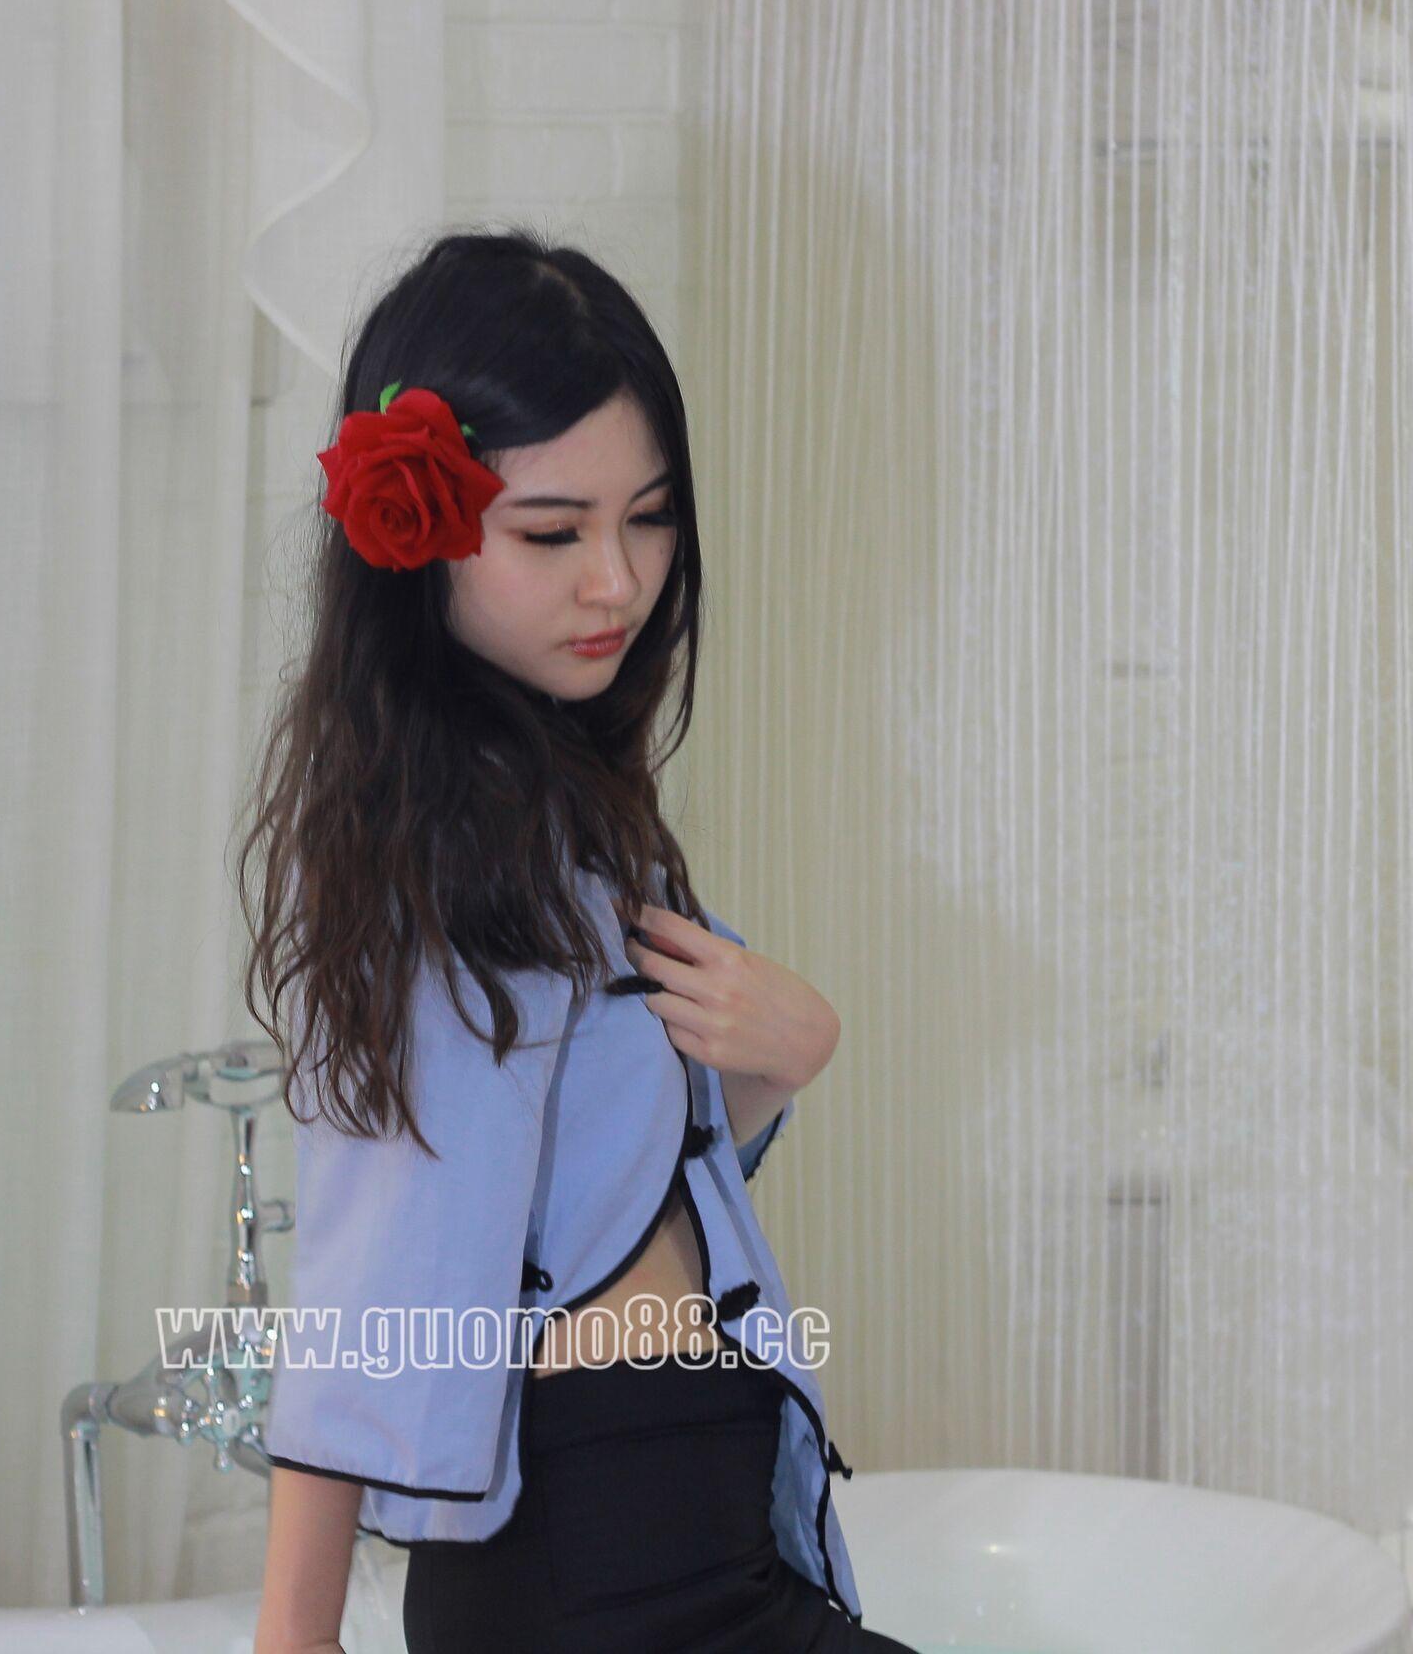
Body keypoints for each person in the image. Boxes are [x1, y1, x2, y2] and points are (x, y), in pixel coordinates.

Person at [236, 228, 910, 1653]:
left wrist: (777, 1057)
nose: (618, 580)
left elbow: (593, 1169)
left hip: (675, 1532)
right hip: (602, 1558)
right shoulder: (444, 840)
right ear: (416, 542)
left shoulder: (551, 801)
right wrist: (296, 1637)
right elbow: (374, 1254)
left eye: (648, 518)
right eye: (553, 533)